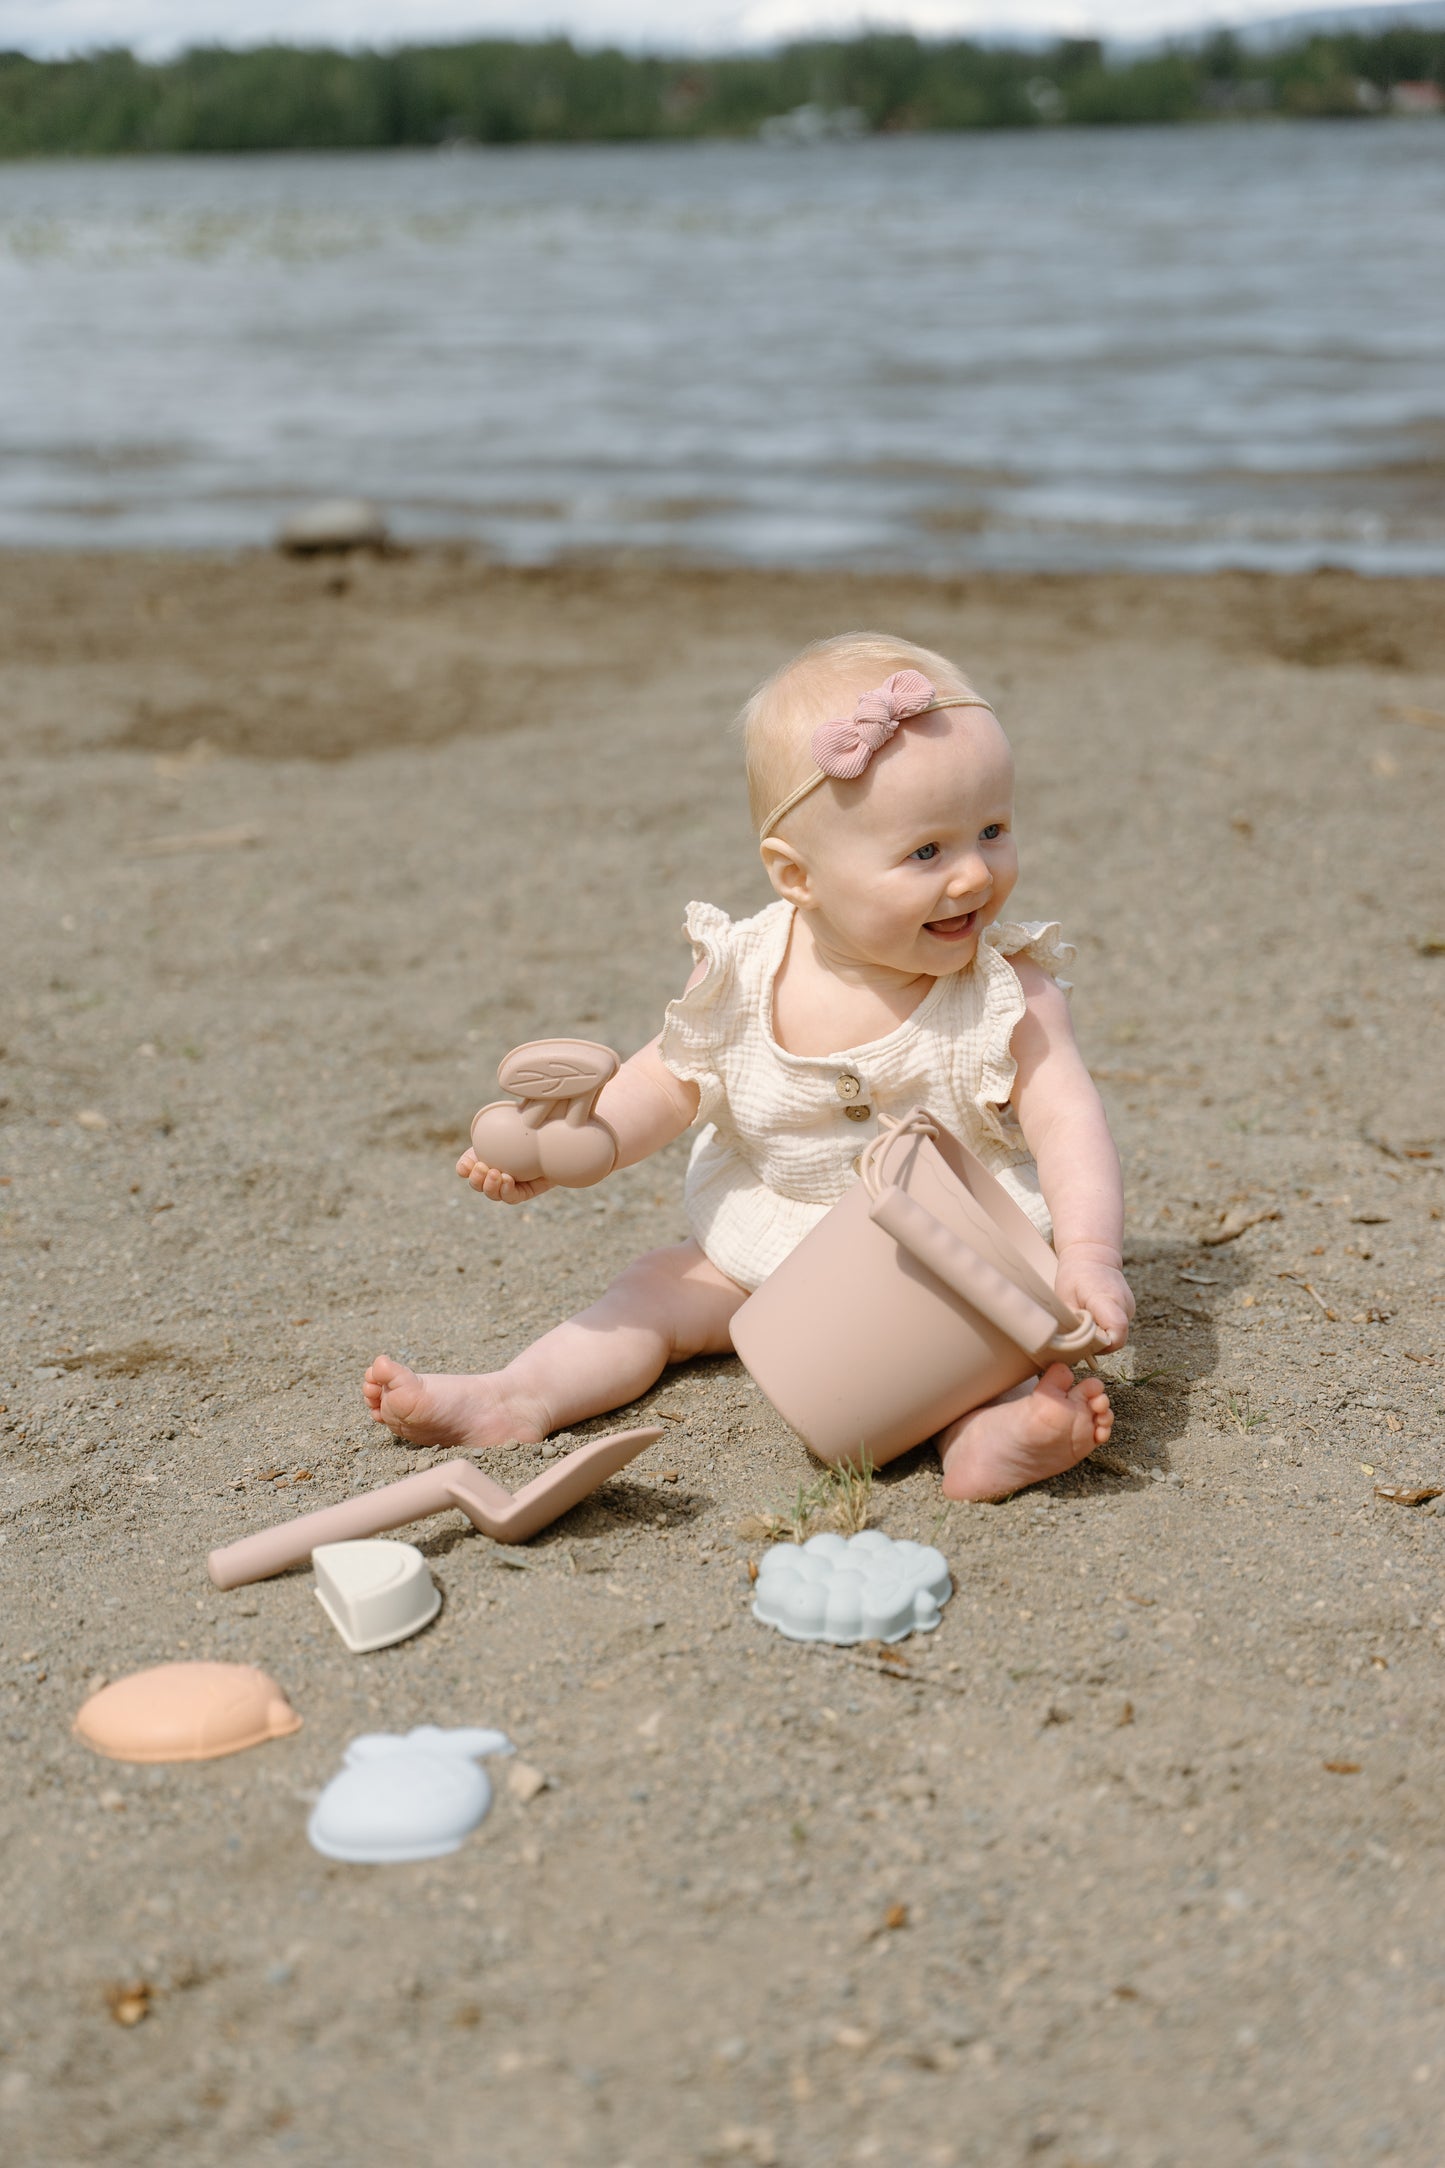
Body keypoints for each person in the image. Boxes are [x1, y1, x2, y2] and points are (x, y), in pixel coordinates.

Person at [364, 632, 1134, 1501]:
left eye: (991, 831)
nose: (971, 877)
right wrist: (580, 1146)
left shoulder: (1007, 993)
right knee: (650, 1293)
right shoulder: (742, 970)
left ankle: (989, 1438)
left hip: (943, 1262)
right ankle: (515, 1396)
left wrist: (1088, 1254)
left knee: (978, 1349)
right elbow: (665, 1080)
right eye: (926, 853)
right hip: (764, 1239)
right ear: (795, 875)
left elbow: (1066, 1117)